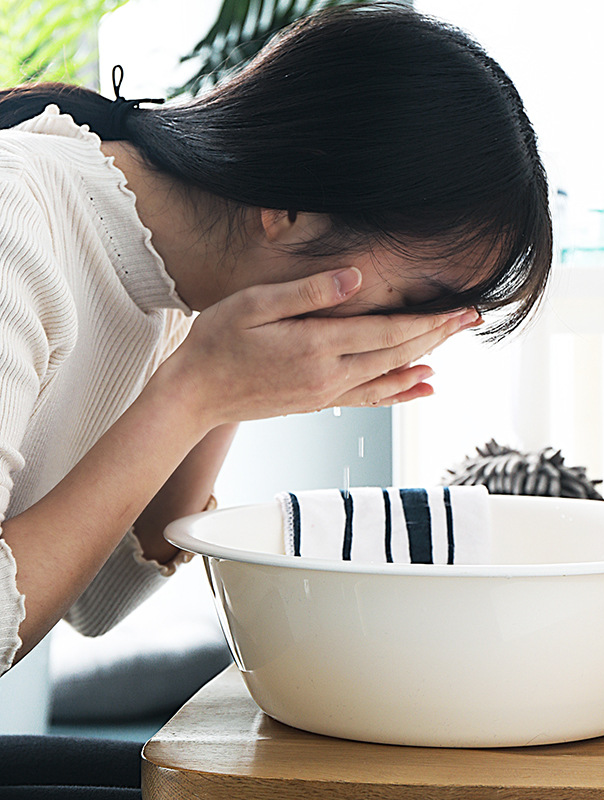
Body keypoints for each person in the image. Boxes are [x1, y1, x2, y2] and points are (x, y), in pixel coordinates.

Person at [0, 2, 551, 796]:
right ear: (292, 203)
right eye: (414, 300)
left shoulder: (171, 287)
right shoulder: (21, 222)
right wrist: (192, 393)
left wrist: (228, 391)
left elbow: (98, 599)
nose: (405, 335)